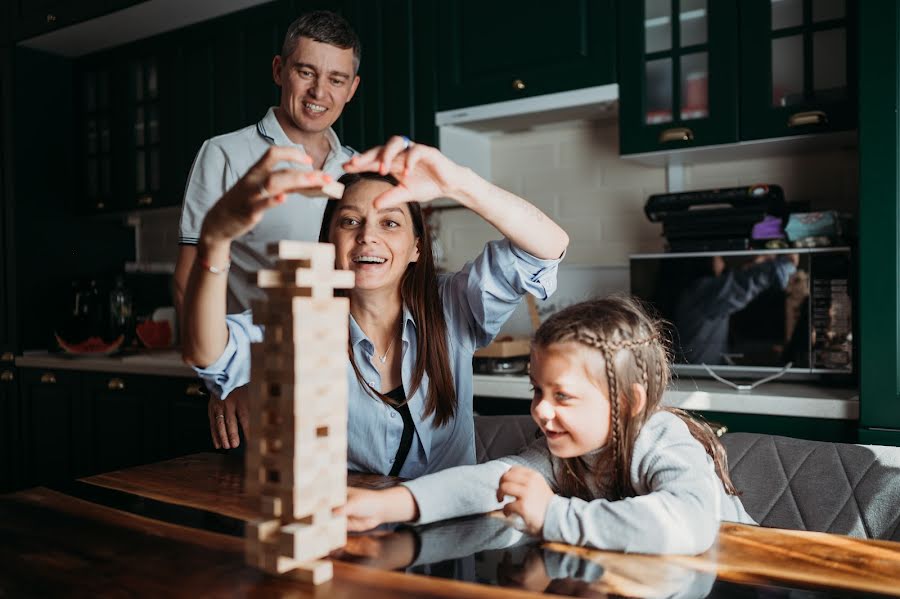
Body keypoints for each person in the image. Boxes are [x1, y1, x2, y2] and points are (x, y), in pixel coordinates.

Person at [181, 137, 569, 477]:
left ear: (417, 246)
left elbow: (546, 247)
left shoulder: (452, 305)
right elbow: (209, 352)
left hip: (447, 544)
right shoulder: (301, 321)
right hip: (347, 540)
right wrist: (215, 239)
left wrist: (459, 184)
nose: (368, 236)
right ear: (329, 241)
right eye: (350, 221)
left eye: (390, 223)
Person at [341, 296, 755, 555]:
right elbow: (495, 481)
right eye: (537, 391)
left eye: (563, 396)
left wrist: (553, 515)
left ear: (629, 403)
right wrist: (383, 505)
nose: (541, 410)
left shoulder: (661, 439)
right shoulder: (562, 449)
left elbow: (688, 524)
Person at [173, 10, 361, 447]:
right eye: (306, 72)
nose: (319, 92)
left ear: (352, 89)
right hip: (251, 389)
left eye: (336, 79)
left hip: (336, 387)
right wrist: (221, 384)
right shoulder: (224, 154)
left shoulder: (354, 168)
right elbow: (186, 281)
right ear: (280, 70)